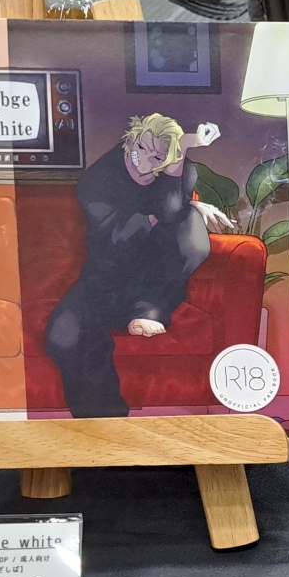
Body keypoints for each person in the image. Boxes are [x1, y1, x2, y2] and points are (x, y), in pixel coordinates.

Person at [44, 113, 211, 418]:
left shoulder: (179, 170)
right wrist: (159, 214)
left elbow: (172, 212)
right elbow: (116, 237)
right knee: (62, 336)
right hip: (104, 279)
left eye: (157, 157)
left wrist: (177, 159)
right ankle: (104, 420)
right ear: (130, 139)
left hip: (153, 281)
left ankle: (149, 308)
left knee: (191, 227)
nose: (144, 161)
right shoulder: (99, 177)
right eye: (141, 148)